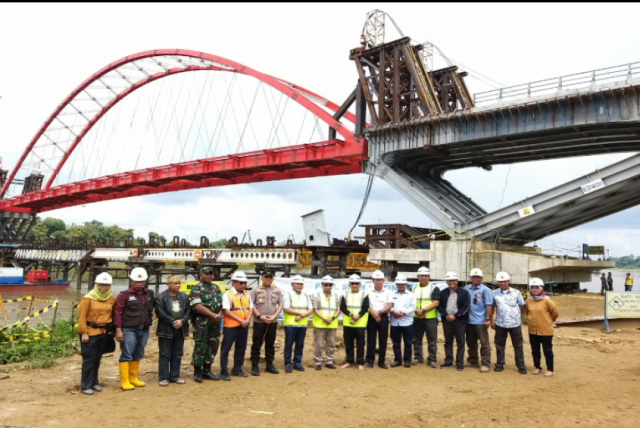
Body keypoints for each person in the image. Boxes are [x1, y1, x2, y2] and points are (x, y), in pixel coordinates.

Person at [114, 267, 155, 391]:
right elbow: (118, 313)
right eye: (137, 281)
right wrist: (118, 330)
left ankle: (133, 378)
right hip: (128, 329)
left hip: (144, 328)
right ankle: (125, 381)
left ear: (145, 281)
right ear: (131, 281)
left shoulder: (149, 293)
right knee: (127, 354)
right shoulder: (124, 295)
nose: (139, 283)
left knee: (138, 354)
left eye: (142, 281)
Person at [77, 272, 116, 395]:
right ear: (96, 285)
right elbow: (81, 316)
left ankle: (94, 382)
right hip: (90, 332)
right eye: (101, 285)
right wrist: (84, 332)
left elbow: (113, 315)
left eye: (106, 285)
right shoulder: (88, 298)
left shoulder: (111, 298)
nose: (103, 288)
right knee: (89, 359)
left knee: (98, 358)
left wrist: (113, 330)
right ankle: (85, 385)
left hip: (103, 332)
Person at [155, 275, 191, 386]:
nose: (178, 285)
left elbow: (188, 310)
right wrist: (172, 322)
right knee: (165, 353)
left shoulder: (184, 296)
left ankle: (175, 376)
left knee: (177, 353)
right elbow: (160, 313)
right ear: (168, 284)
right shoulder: (161, 297)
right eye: (175, 283)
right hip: (166, 329)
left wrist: (182, 321)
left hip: (180, 329)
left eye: (179, 283)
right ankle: (163, 377)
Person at [189, 266, 223, 382]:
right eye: (206, 274)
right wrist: (213, 315)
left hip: (215, 323)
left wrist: (219, 314)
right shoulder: (196, 288)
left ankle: (207, 370)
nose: (209, 276)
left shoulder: (216, 288)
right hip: (201, 323)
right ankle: (197, 371)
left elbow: (222, 304)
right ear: (201, 275)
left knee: (213, 346)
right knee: (200, 346)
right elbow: (197, 306)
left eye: (211, 274)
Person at [491, 271, 527, 374]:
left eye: (504, 281)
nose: (502, 283)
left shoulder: (516, 292)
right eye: (500, 282)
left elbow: (522, 306)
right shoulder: (494, 293)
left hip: (515, 324)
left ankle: (521, 365)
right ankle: (500, 364)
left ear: (508, 281)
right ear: (498, 282)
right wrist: (492, 320)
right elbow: (492, 307)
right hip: (500, 324)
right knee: (499, 345)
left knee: (518, 345)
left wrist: (517, 316)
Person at [219, 271, 253, 381]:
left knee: (241, 348)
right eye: (241, 283)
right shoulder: (227, 295)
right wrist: (240, 320)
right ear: (234, 283)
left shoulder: (247, 295)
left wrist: (247, 320)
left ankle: (237, 368)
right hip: (231, 326)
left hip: (243, 326)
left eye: (245, 283)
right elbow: (226, 311)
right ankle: (223, 371)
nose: (244, 285)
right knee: (226, 349)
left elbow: (251, 308)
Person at [250, 270, 284, 376]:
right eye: (266, 277)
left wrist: (275, 316)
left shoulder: (277, 290)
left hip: (272, 321)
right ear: (262, 278)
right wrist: (260, 316)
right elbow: (251, 305)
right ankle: (254, 365)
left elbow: (281, 304)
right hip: (259, 321)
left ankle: (269, 364)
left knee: (270, 344)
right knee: (257, 344)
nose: (268, 279)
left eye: (270, 277)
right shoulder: (255, 290)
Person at [525, 278, 559, 377]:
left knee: (547, 350)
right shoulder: (529, 300)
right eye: (532, 288)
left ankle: (550, 369)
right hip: (533, 330)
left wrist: (548, 321)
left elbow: (555, 313)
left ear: (541, 288)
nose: (534, 289)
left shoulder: (547, 301)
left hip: (545, 330)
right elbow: (527, 312)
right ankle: (537, 367)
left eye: (537, 287)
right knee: (535, 350)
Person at [438, 272, 470, 371]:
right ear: (446, 282)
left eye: (453, 280)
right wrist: (446, 315)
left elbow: (466, 306)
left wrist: (455, 316)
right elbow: (439, 306)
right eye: (449, 281)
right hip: (447, 321)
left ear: (457, 281)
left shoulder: (464, 293)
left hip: (460, 321)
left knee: (460, 342)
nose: (451, 282)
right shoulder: (442, 292)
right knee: (448, 341)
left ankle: (459, 362)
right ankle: (448, 361)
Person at [464, 268, 494, 373]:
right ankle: (472, 360)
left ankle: (485, 363)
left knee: (484, 343)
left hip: (481, 321)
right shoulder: (466, 288)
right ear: (470, 278)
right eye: (473, 277)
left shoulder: (486, 290)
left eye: (478, 277)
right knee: (471, 342)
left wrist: (487, 319)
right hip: (468, 321)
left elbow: (489, 305)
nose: (475, 278)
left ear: (481, 278)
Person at [283, 274, 313, 373]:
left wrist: (302, 315)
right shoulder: (288, 294)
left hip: (302, 325)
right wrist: (300, 313)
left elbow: (310, 309)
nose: (299, 285)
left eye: (301, 284)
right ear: (292, 285)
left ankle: (297, 362)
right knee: (289, 344)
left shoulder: (305, 295)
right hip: (290, 325)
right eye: (297, 284)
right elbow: (286, 308)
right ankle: (288, 363)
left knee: (300, 345)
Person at [412, 266, 440, 368]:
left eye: (425, 275)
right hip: (416, 317)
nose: (423, 277)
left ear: (429, 277)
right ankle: (418, 357)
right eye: (421, 275)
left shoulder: (434, 288)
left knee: (432, 340)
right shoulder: (413, 288)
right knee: (417, 339)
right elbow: (410, 301)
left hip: (430, 318)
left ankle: (432, 359)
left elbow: (436, 303)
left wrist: (423, 311)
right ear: (417, 276)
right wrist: (417, 311)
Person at [340, 274, 370, 371]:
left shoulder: (364, 294)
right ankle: (349, 361)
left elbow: (365, 307)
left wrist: (358, 316)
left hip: (360, 324)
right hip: (348, 323)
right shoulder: (345, 294)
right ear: (349, 284)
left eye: (356, 283)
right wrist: (352, 315)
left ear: (360, 284)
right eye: (352, 283)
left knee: (360, 343)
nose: (354, 285)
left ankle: (360, 362)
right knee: (348, 343)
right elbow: (343, 307)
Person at [311, 275, 341, 370]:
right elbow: (315, 309)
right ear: (322, 284)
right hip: (320, 323)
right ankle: (318, 361)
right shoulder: (316, 295)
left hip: (332, 323)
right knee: (319, 343)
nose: (328, 286)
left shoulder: (336, 296)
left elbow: (338, 309)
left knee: (331, 343)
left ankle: (329, 361)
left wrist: (332, 318)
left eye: (330, 284)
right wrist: (324, 318)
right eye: (326, 284)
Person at [365, 270, 393, 369]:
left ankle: (381, 361)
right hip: (371, 317)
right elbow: (366, 305)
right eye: (376, 279)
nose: (378, 281)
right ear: (373, 280)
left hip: (383, 317)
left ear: (383, 281)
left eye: (380, 279)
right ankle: (370, 361)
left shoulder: (388, 292)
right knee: (371, 339)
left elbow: (389, 305)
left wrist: (379, 313)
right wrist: (373, 314)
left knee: (383, 340)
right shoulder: (367, 292)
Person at [389, 275, 416, 368]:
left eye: (402, 284)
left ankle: (407, 360)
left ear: (406, 284)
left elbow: (413, 307)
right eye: (399, 284)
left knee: (408, 342)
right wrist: (393, 311)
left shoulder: (411, 295)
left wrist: (403, 313)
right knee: (396, 342)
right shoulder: (391, 294)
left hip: (407, 322)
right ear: (396, 284)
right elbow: (389, 305)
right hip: (394, 322)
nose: (400, 285)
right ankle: (397, 360)